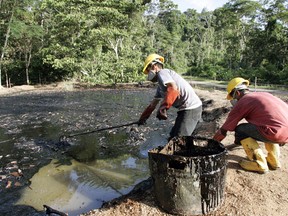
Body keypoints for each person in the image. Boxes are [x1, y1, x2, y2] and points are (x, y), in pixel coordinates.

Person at [213, 77, 288, 173]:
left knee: (240, 130)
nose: (234, 100)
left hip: (275, 133)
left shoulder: (244, 101)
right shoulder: (264, 94)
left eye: (234, 98)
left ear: (238, 93)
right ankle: (274, 161)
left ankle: (259, 164)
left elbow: (224, 129)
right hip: (284, 133)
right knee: (267, 125)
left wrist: (213, 143)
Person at [138, 53, 202, 140]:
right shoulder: (160, 87)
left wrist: (163, 108)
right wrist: (143, 118)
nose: (148, 74)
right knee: (172, 138)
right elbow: (152, 105)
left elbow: (173, 89)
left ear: (154, 66)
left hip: (191, 108)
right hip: (185, 109)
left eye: (148, 70)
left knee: (179, 140)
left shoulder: (162, 73)